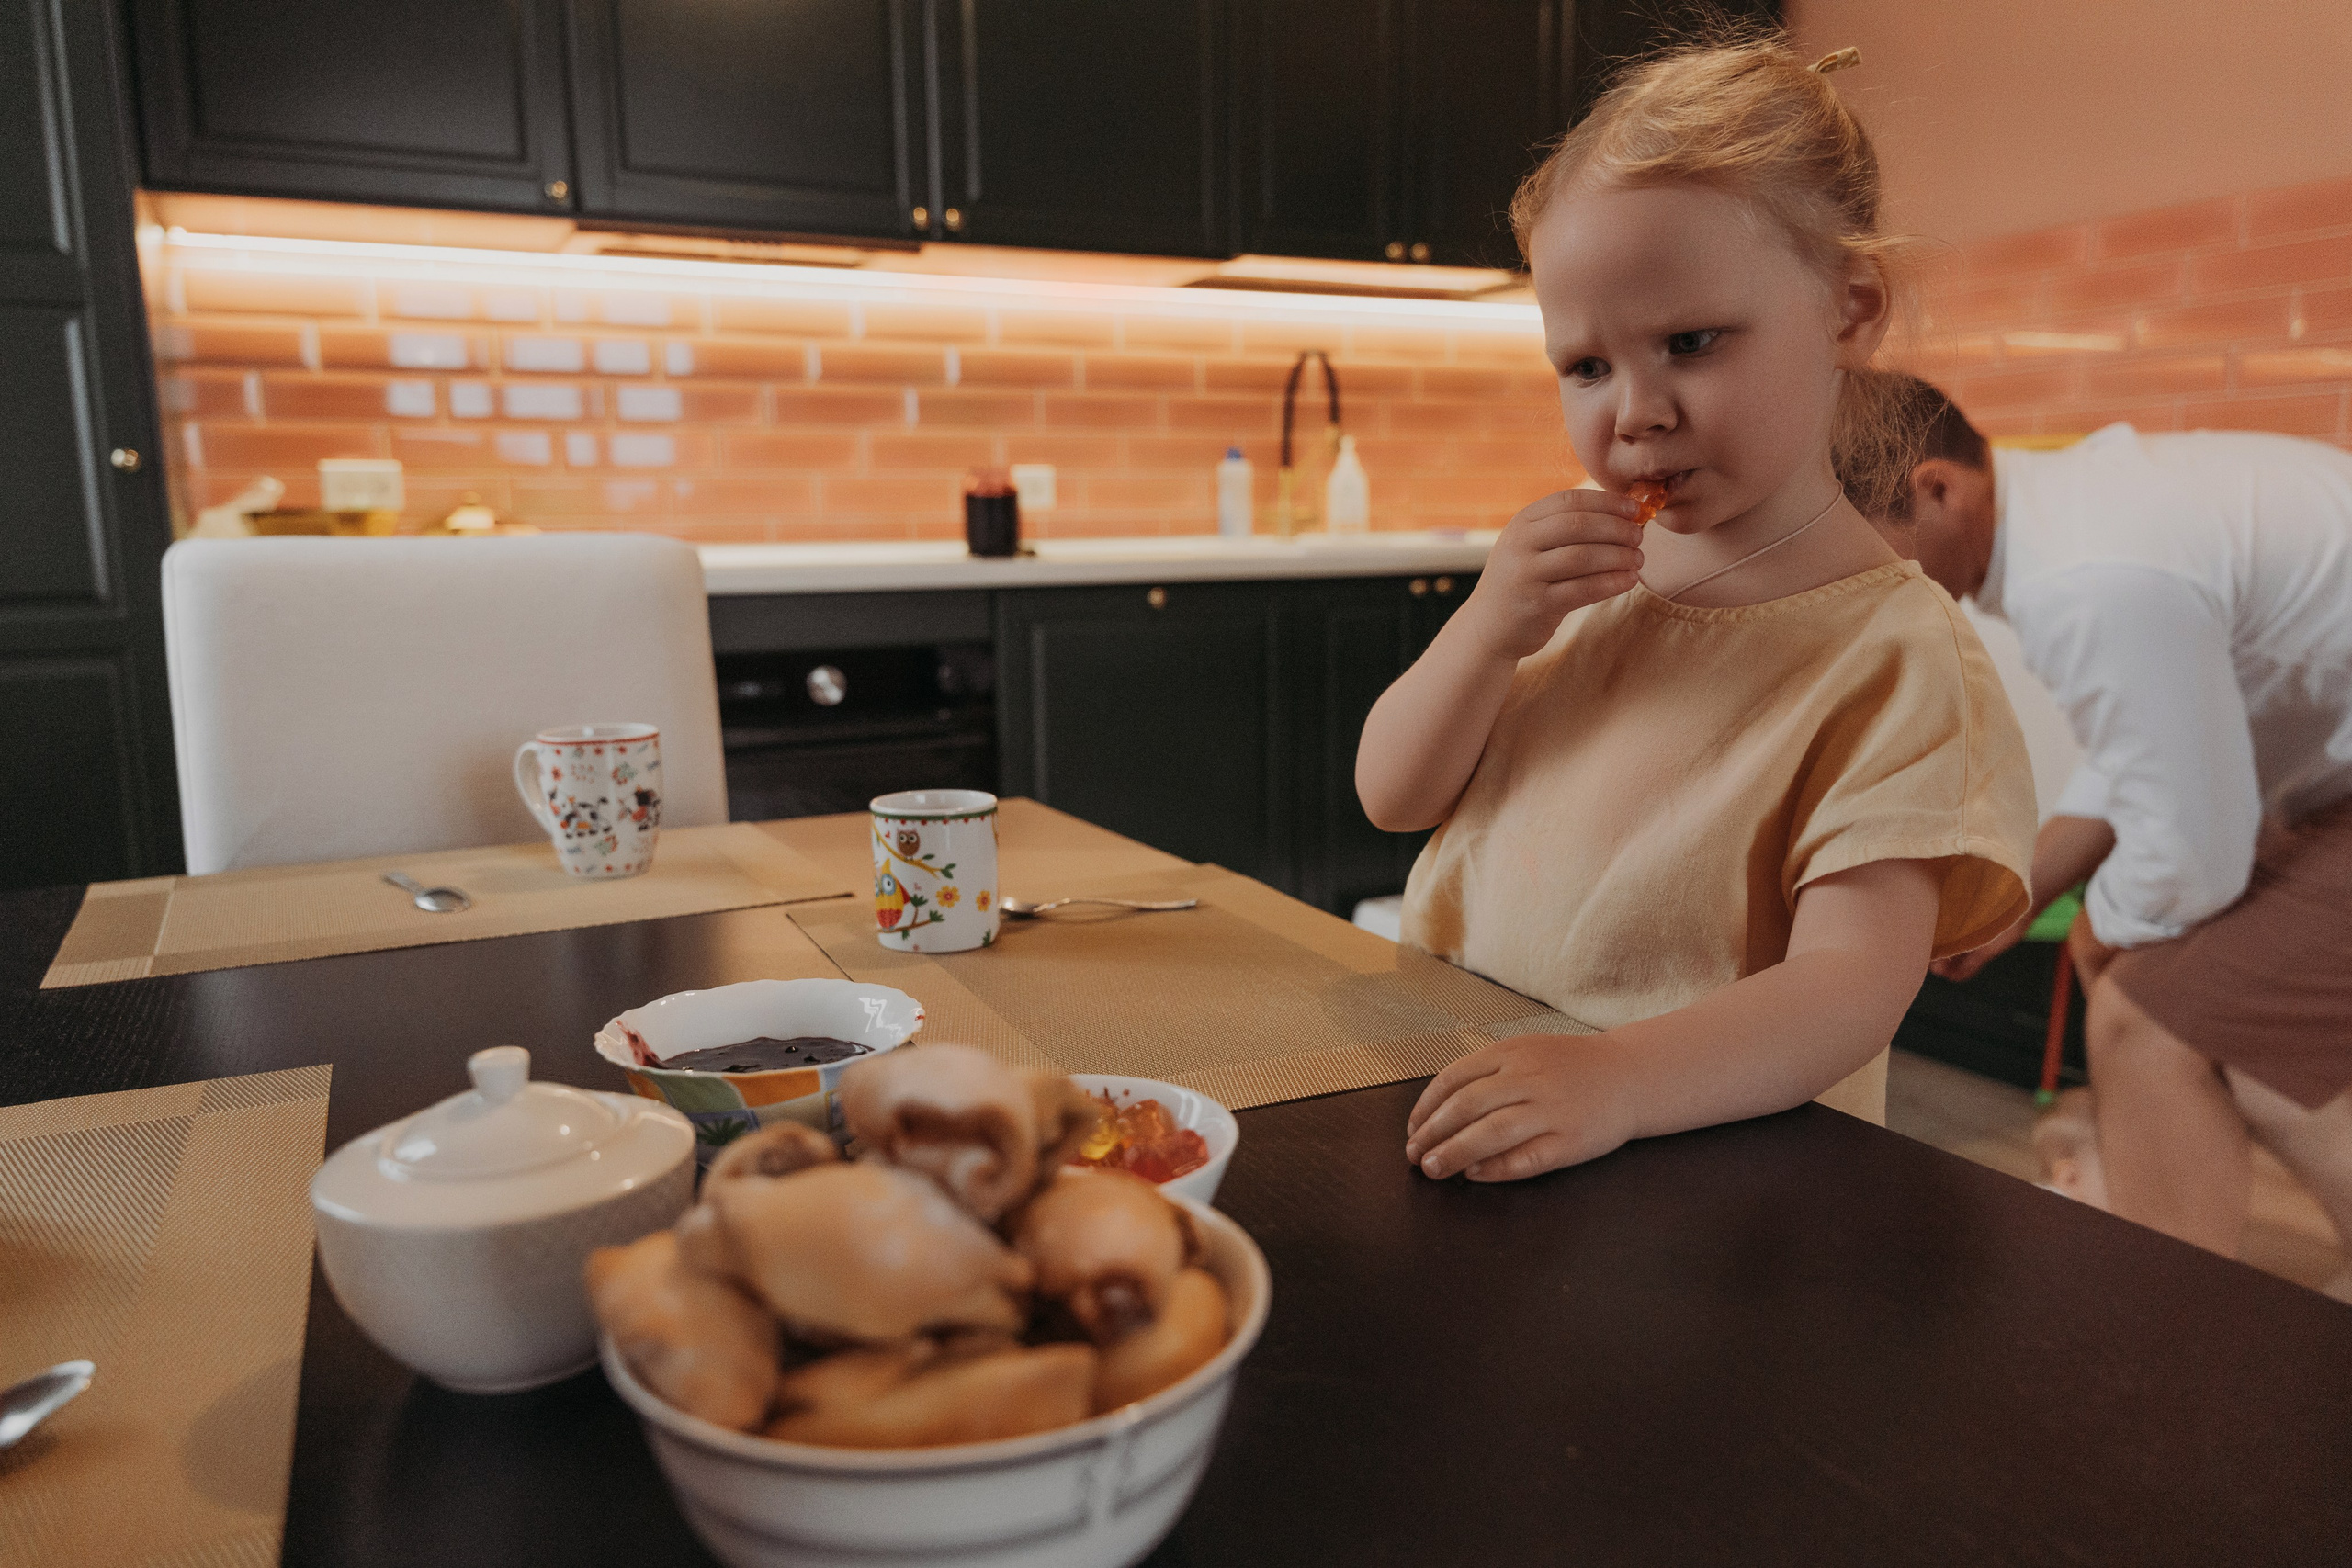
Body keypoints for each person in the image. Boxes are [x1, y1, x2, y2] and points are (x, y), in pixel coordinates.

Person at [1356, 35, 2037, 1184]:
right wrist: (1482, 630)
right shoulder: (1573, 592)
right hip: (1476, 1104)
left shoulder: (1896, 657)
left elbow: (1845, 990)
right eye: (1584, 367)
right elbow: (1393, 794)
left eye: (1688, 343)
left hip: (1707, 1168)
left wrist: (1617, 1079)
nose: (1635, 412)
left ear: (1848, 311)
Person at [1860, 375, 2352, 1294]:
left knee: (2143, 1021)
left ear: (1936, 489)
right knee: (2228, 1027)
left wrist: (2093, 927)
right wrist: (2027, 895)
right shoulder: (2075, 520)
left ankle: (2156, 1333)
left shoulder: (2086, 575)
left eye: (1863, 560)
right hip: (2328, 777)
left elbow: (2190, 859)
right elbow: (2146, 756)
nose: (1861, 595)